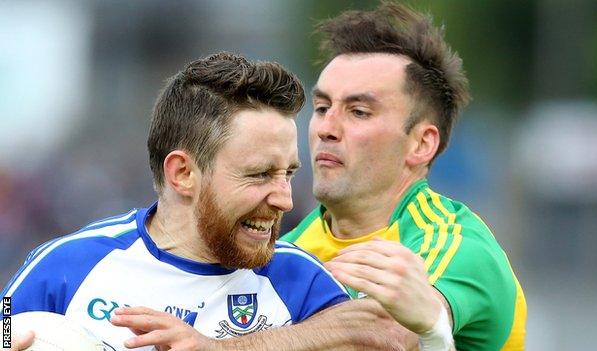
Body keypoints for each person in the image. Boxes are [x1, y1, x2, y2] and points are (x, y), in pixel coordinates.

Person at [1, 52, 360, 351]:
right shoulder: (64, 265)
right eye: (260, 174)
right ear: (183, 174)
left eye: (289, 173)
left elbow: (381, 333)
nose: (284, 198)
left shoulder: (302, 283)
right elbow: (4, 325)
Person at [282, 1, 527, 350]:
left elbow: (384, 337)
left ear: (421, 144)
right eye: (322, 108)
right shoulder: (290, 249)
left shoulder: (457, 244)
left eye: (359, 112)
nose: (326, 128)